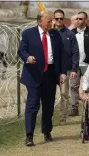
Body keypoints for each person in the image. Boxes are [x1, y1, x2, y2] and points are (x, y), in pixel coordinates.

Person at [18, 10, 66, 146]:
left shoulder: (55, 34)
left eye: (52, 21)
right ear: (40, 21)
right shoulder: (28, 33)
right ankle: (29, 135)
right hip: (34, 73)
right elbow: (21, 50)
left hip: (50, 73)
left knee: (48, 105)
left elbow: (61, 55)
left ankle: (46, 131)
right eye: (49, 21)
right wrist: (27, 57)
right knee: (32, 105)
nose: (52, 23)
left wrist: (62, 73)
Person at [70, 11, 89, 116]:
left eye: (81, 19)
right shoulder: (72, 33)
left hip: (88, 64)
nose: (78, 20)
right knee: (74, 86)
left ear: (85, 20)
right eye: (77, 18)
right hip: (75, 65)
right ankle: (74, 108)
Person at [53, 9, 79, 125]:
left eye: (61, 18)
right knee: (49, 94)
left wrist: (74, 68)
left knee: (64, 94)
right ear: (54, 19)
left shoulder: (70, 34)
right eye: (57, 18)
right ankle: (49, 117)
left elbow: (75, 52)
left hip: (66, 69)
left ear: (64, 19)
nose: (59, 20)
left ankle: (62, 118)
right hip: (51, 69)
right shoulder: (50, 33)